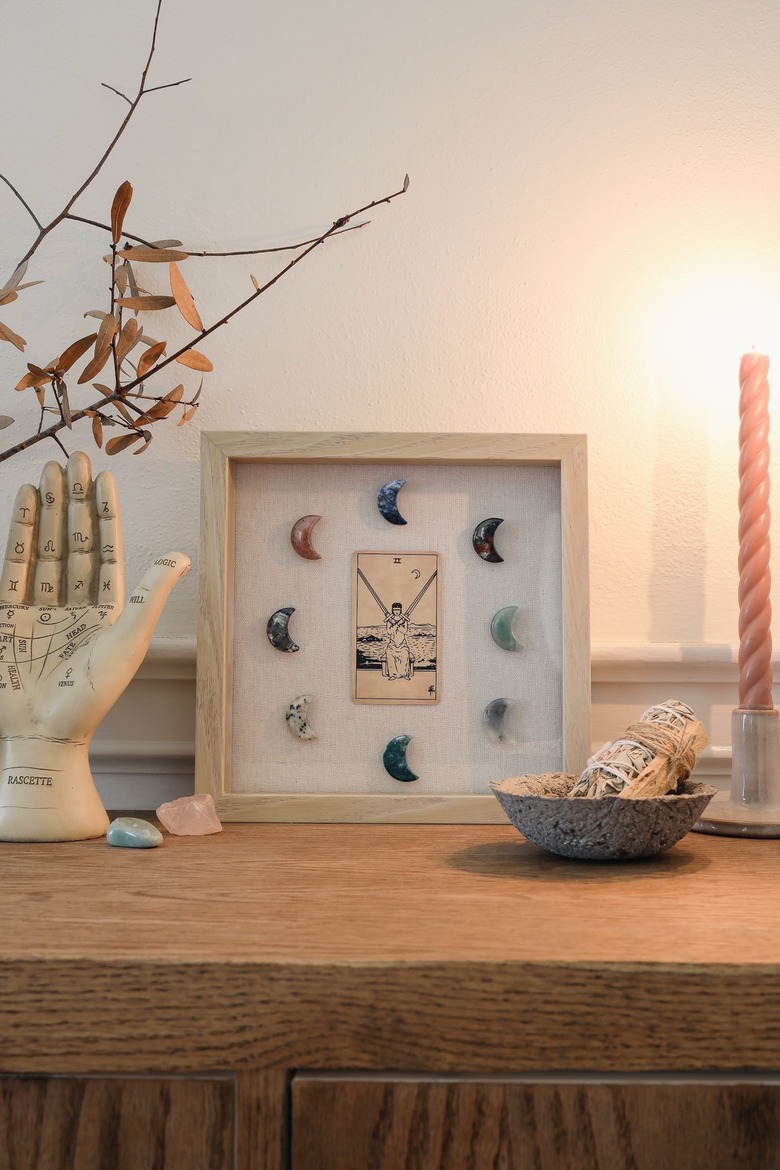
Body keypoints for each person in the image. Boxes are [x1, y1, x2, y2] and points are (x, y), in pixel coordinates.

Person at [383, 602, 413, 680]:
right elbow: (389, 632)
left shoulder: (404, 620)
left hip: (402, 644)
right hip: (392, 644)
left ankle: (405, 674)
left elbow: (405, 631)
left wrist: (398, 626)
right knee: (389, 652)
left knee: (405, 653)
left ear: (400, 610)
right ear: (392, 610)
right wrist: (395, 625)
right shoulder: (389, 620)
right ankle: (393, 674)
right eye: (395, 610)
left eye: (398, 610)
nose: (396, 611)